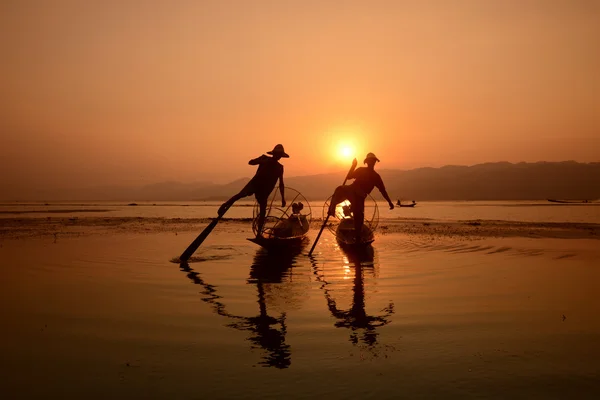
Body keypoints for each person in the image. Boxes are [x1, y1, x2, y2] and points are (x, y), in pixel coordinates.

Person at [218, 144, 288, 237]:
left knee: (263, 212)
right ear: (274, 154)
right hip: (254, 184)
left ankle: (259, 233)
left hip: (265, 190)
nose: (278, 157)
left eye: (280, 155)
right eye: (277, 154)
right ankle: (224, 205)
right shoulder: (264, 158)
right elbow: (250, 162)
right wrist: (262, 161)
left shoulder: (280, 167)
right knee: (240, 195)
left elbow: (281, 184)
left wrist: (283, 198)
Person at [328, 152, 394, 243]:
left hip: (360, 196)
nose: (371, 163)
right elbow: (349, 177)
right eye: (370, 161)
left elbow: (383, 191)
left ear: (375, 162)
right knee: (339, 189)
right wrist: (353, 166)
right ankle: (331, 208)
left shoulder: (376, 176)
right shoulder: (361, 170)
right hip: (351, 190)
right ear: (367, 162)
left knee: (358, 218)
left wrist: (389, 202)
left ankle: (358, 238)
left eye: (373, 161)